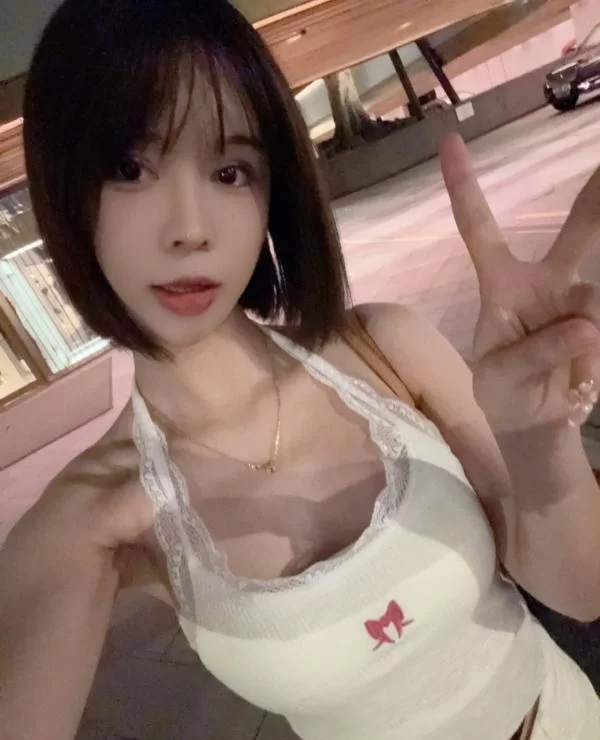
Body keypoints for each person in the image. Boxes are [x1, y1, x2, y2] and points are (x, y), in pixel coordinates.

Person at [1, 1, 600, 738]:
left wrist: (538, 444)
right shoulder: (94, 517)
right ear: (67, 194)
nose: (190, 229)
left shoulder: (386, 350)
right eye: (131, 168)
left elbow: (580, 591)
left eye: (229, 171)